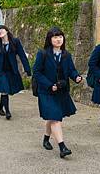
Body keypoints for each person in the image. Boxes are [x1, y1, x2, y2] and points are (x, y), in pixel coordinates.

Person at [33, 27, 83, 158]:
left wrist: (76, 77)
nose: (58, 39)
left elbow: (71, 70)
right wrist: (50, 85)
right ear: (50, 39)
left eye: (60, 36)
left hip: (61, 91)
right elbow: (37, 73)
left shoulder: (66, 54)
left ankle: (45, 138)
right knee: (55, 118)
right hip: (46, 91)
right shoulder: (42, 53)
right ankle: (62, 147)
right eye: (55, 37)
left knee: (52, 117)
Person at [0, 25, 31, 119]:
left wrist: (27, 69)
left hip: (11, 70)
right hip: (0, 71)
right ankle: (7, 111)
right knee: (4, 90)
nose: (0, 32)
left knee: (6, 90)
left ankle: (0, 108)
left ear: (7, 31)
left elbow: (22, 56)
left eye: (2, 30)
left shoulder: (15, 42)